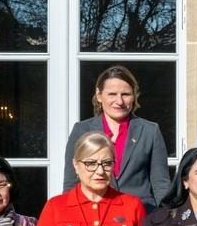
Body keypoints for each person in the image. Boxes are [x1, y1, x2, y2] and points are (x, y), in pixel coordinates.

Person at [63, 65, 171, 210]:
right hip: (94, 214)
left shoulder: (150, 131)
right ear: (99, 95)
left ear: (134, 96)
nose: (119, 101)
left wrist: (164, 220)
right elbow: (71, 182)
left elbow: (161, 184)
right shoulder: (81, 130)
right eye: (112, 94)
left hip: (141, 215)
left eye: (126, 94)